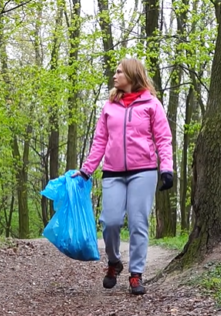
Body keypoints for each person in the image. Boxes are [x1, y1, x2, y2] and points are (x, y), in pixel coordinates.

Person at [74, 58, 173, 295]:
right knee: (110, 222)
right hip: (113, 172)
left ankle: (136, 274)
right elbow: (100, 141)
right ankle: (114, 262)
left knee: (139, 223)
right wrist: (87, 169)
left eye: (119, 72)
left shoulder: (152, 104)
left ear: (132, 75)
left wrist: (166, 168)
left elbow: (163, 138)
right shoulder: (109, 106)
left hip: (144, 171)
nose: (115, 76)